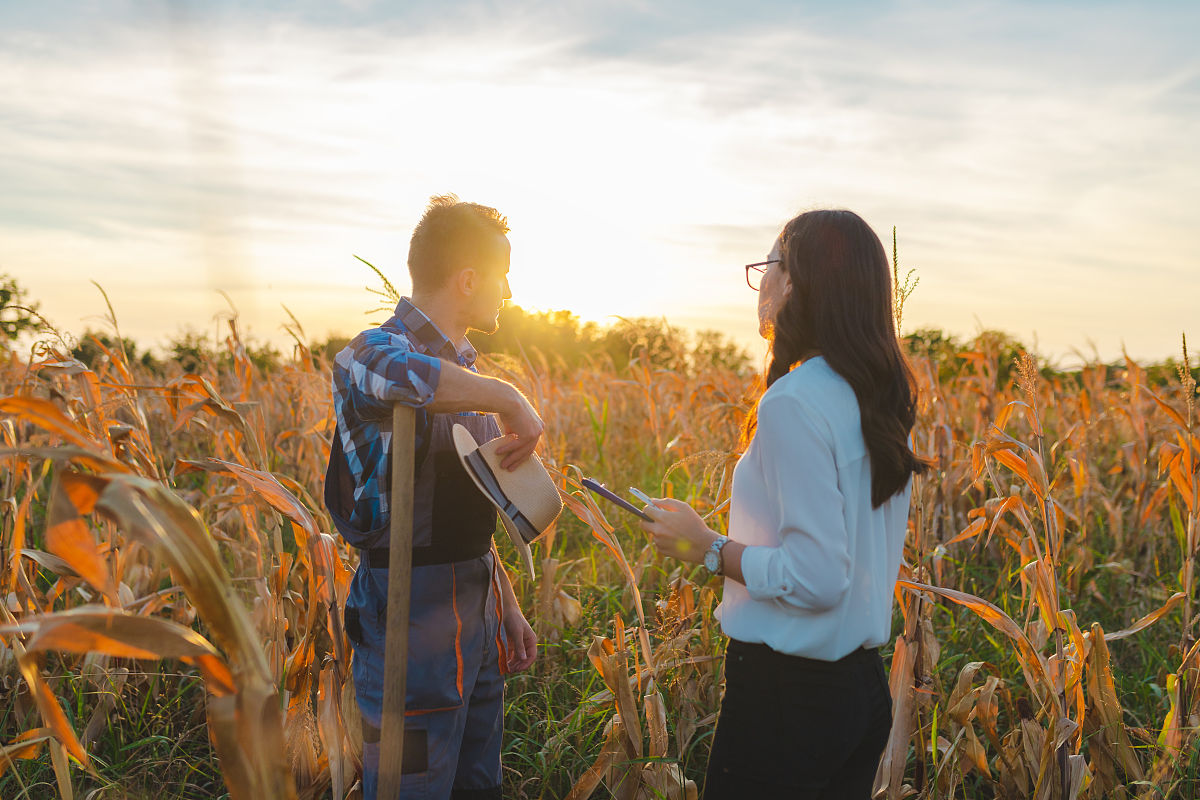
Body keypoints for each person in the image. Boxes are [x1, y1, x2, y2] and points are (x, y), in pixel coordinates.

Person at [639, 209, 928, 799]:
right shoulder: (871, 395)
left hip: (787, 701)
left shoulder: (794, 402)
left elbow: (818, 577)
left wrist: (708, 548)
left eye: (768, 266)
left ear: (795, 282)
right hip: (857, 693)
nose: (761, 283)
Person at [325, 195, 543, 800]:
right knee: (409, 784)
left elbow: (471, 509)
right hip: (407, 610)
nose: (507, 290)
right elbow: (393, 375)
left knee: (477, 782)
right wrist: (508, 397)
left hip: (476, 607)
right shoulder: (372, 350)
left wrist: (507, 603)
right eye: (501, 276)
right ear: (468, 279)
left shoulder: (468, 376)